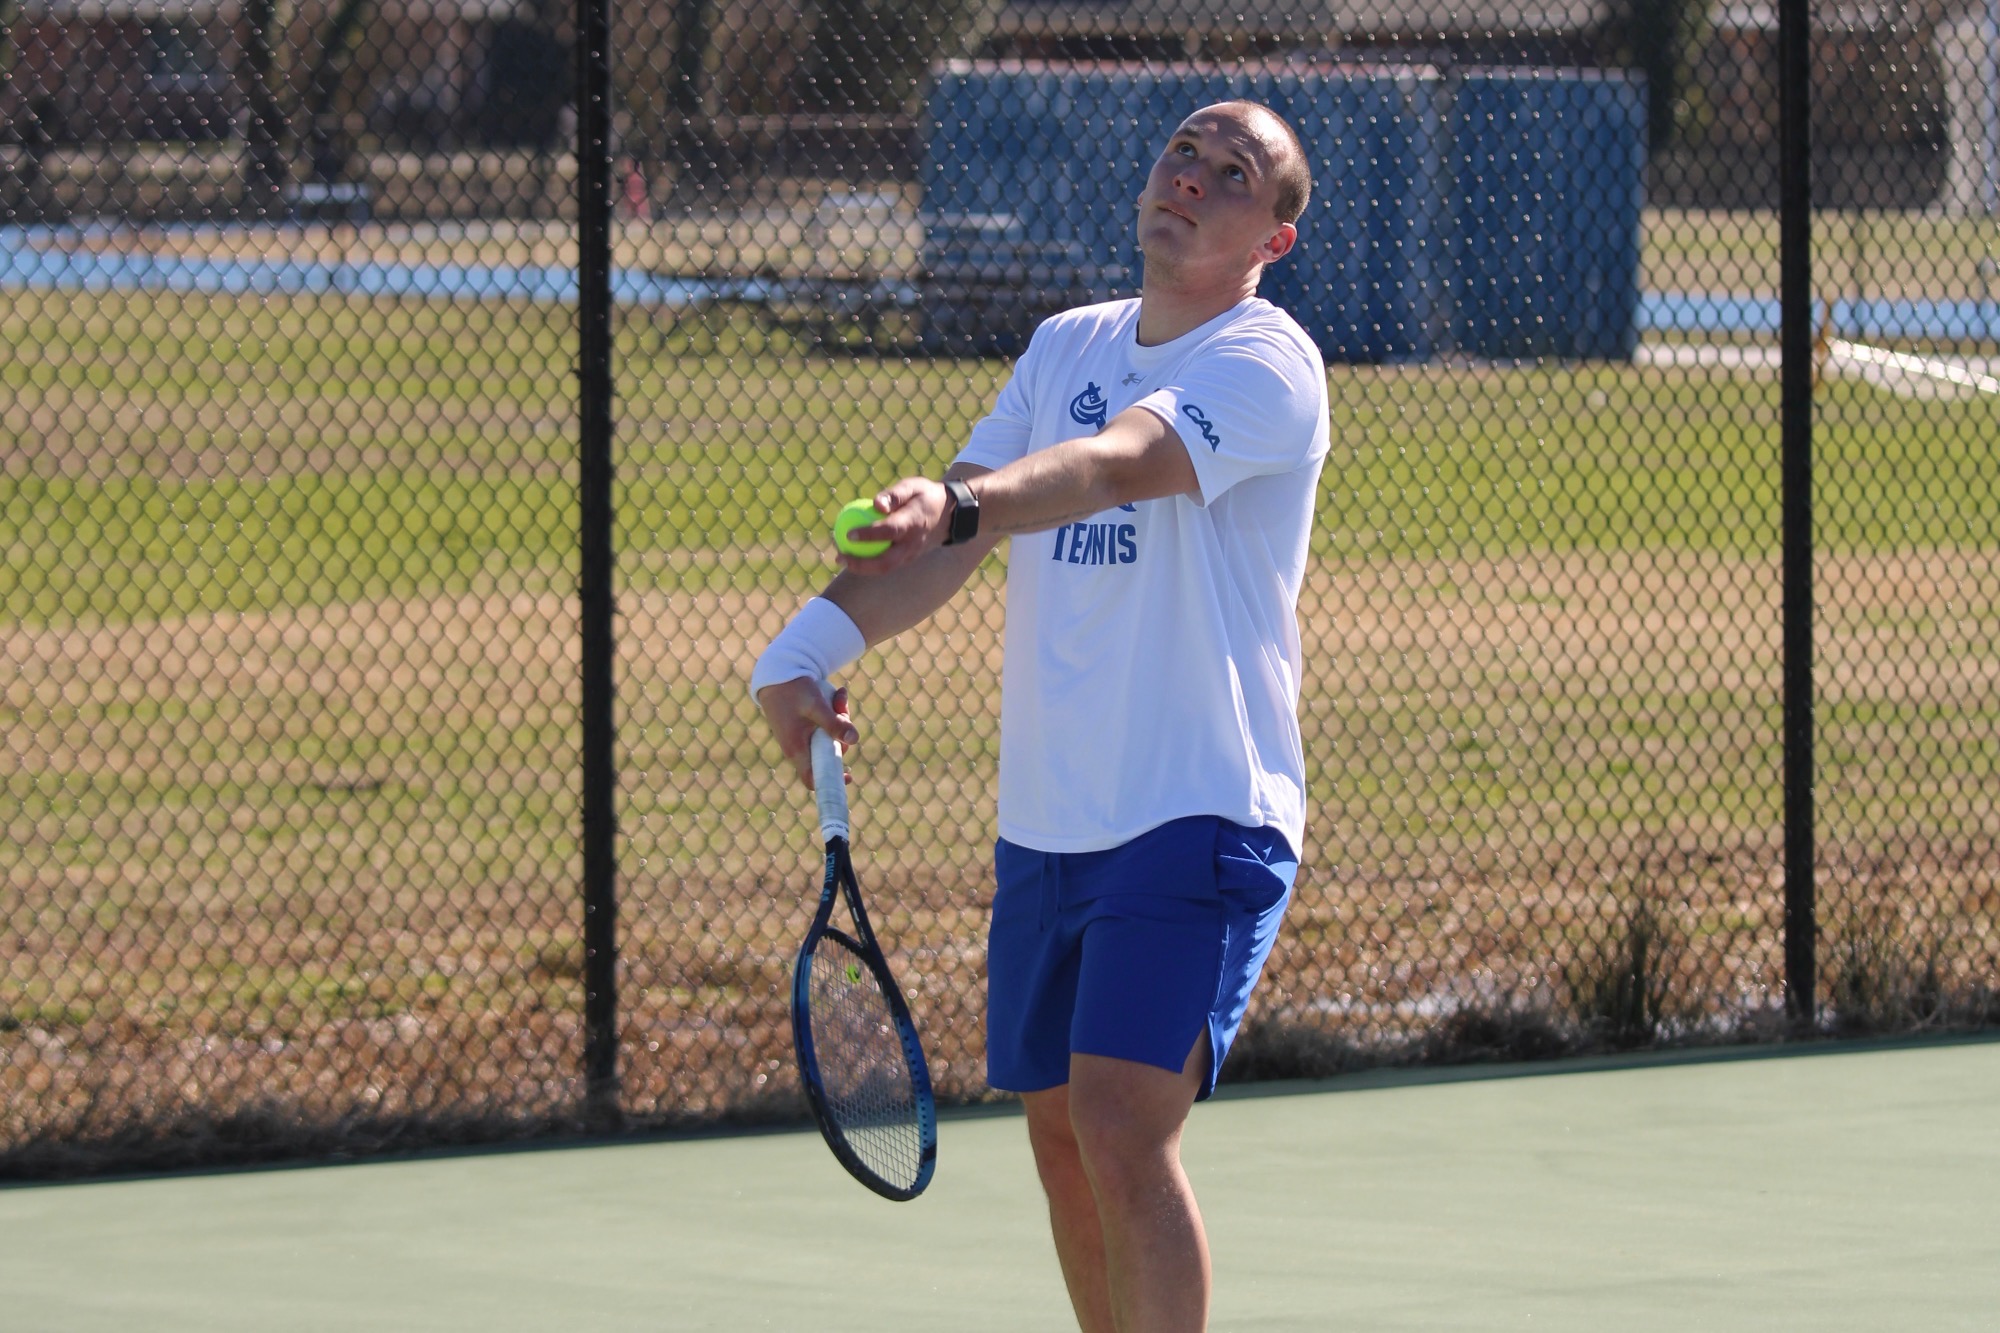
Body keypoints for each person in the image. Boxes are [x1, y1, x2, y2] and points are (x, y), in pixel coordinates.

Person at [752, 100, 1328, 1333]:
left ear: (1270, 242)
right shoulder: (1064, 346)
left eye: (1233, 174)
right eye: (1183, 152)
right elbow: (952, 535)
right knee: (1064, 1138)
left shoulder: (1268, 361)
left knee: (1121, 1124)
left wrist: (962, 505)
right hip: (1049, 826)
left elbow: (1115, 464)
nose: (1192, 177)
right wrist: (801, 654)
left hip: (1198, 809)